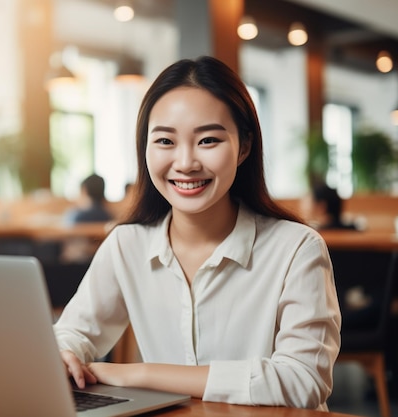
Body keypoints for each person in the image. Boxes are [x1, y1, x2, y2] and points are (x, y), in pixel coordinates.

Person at [53, 56, 341, 410]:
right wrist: (64, 352)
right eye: (165, 141)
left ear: (244, 147)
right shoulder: (126, 244)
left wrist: (140, 375)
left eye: (207, 140)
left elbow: (303, 382)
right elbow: (73, 332)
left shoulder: (297, 248)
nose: (186, 162)